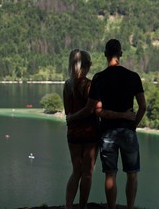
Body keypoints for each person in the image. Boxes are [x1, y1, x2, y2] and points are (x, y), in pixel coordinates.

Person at [82, 39, 147, 209]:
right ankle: (130, 207)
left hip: (107, 132)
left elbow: (96, 110)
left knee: (110, 175)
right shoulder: (133, 77)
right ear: (121, 54)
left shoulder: (99, 78)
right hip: (128, 132)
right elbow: (143, 106)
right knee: (132, 174)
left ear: (105, 54)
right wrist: (133, 124)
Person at [62, 49, 98, 209]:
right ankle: (82, 206)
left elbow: (68, 111)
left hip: (73, 133)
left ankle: (69, 206)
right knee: (87, 173)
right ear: (87, 65)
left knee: (76, 171)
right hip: (90, 132)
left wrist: (71, 119)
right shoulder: (89, 85)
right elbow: (91, 109)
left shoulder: (67, 85)